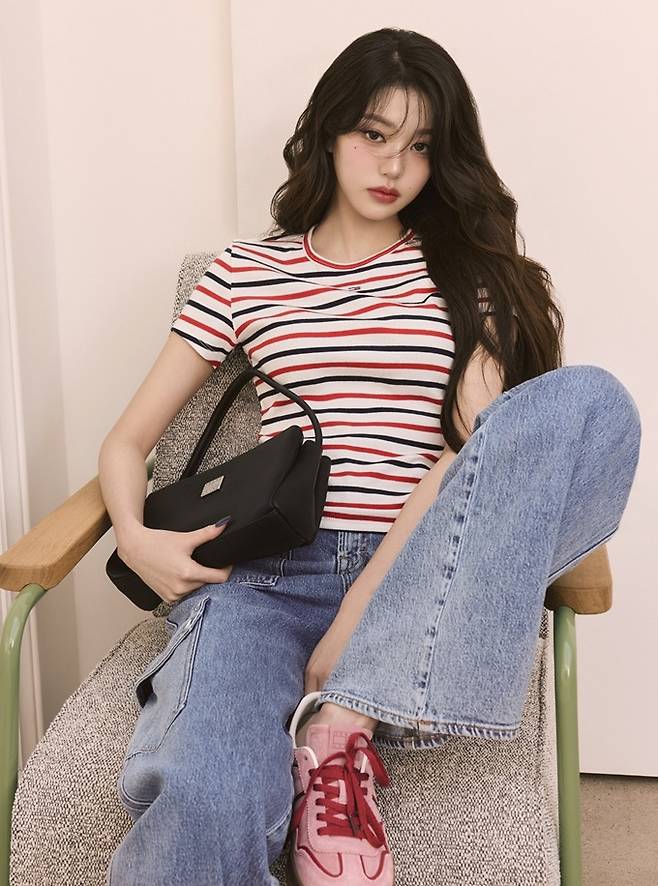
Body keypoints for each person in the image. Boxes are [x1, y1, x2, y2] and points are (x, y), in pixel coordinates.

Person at [99, 27, 641, 886]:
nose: (393, 165)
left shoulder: (469, 275)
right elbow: (128, 440)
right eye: (373, 133)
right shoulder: (242, 275)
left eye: (420, 145)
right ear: (326, 133)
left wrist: (358, 620)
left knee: (593, 401)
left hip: (417, 573)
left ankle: (339, 725)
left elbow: (470, 461)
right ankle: (335, 721)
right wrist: (135, 537)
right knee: (205, 794)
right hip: (264, 578)